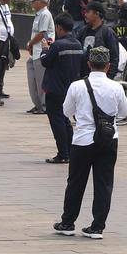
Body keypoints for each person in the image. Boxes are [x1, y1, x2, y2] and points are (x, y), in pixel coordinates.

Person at [53, 46, 127, 240]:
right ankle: (97, 227)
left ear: (88, 64)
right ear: (108, 66)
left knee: (76, 182)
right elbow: (124, 113)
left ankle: (68, 222)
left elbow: (66, 111)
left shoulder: (77, 86)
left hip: (82, 140)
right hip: (108, 139)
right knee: (104, 183)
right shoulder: (116, 87)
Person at [40, 13, 83, 163]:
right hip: (70, 88)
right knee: (66, 120)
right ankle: (70, 152)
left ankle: (63, 154)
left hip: (55, 89)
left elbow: (45, 61)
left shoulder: (58, 45)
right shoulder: (77, 44)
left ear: (58, 27)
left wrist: (45, 48)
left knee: (57, 121)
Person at [25, 0, 55, 115]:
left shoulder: (45, 14)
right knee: (33, 80)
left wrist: (31, 43)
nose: (32, 3)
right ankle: (37, 104)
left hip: (42, 51)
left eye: (34, 1)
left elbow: (42, 33)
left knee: (41, 80)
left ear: (41, 2)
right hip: (36, 52)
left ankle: (43, 105)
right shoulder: (39, 14)